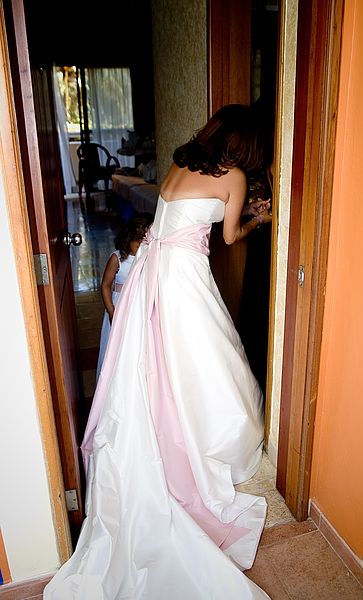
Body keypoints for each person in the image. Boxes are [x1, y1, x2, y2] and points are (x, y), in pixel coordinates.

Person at [44, 104, 272, 600]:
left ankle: (174, 425)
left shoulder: (181, 163)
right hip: (184, 279)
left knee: (169, 361)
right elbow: (228, 237)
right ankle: (207, 440)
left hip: (156, 276)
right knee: (209, 358)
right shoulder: (232, 177)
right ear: (246, 146)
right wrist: (257, 217)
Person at [96, 213, 154, 381]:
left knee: (136, 345)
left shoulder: (149, 257)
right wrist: (111, 311)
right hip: (120, 307)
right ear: (129, 239)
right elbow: (106, 285)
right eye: (140, 244)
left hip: (140, 306)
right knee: (117, 346)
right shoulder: (118, 259)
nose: (143, 248)